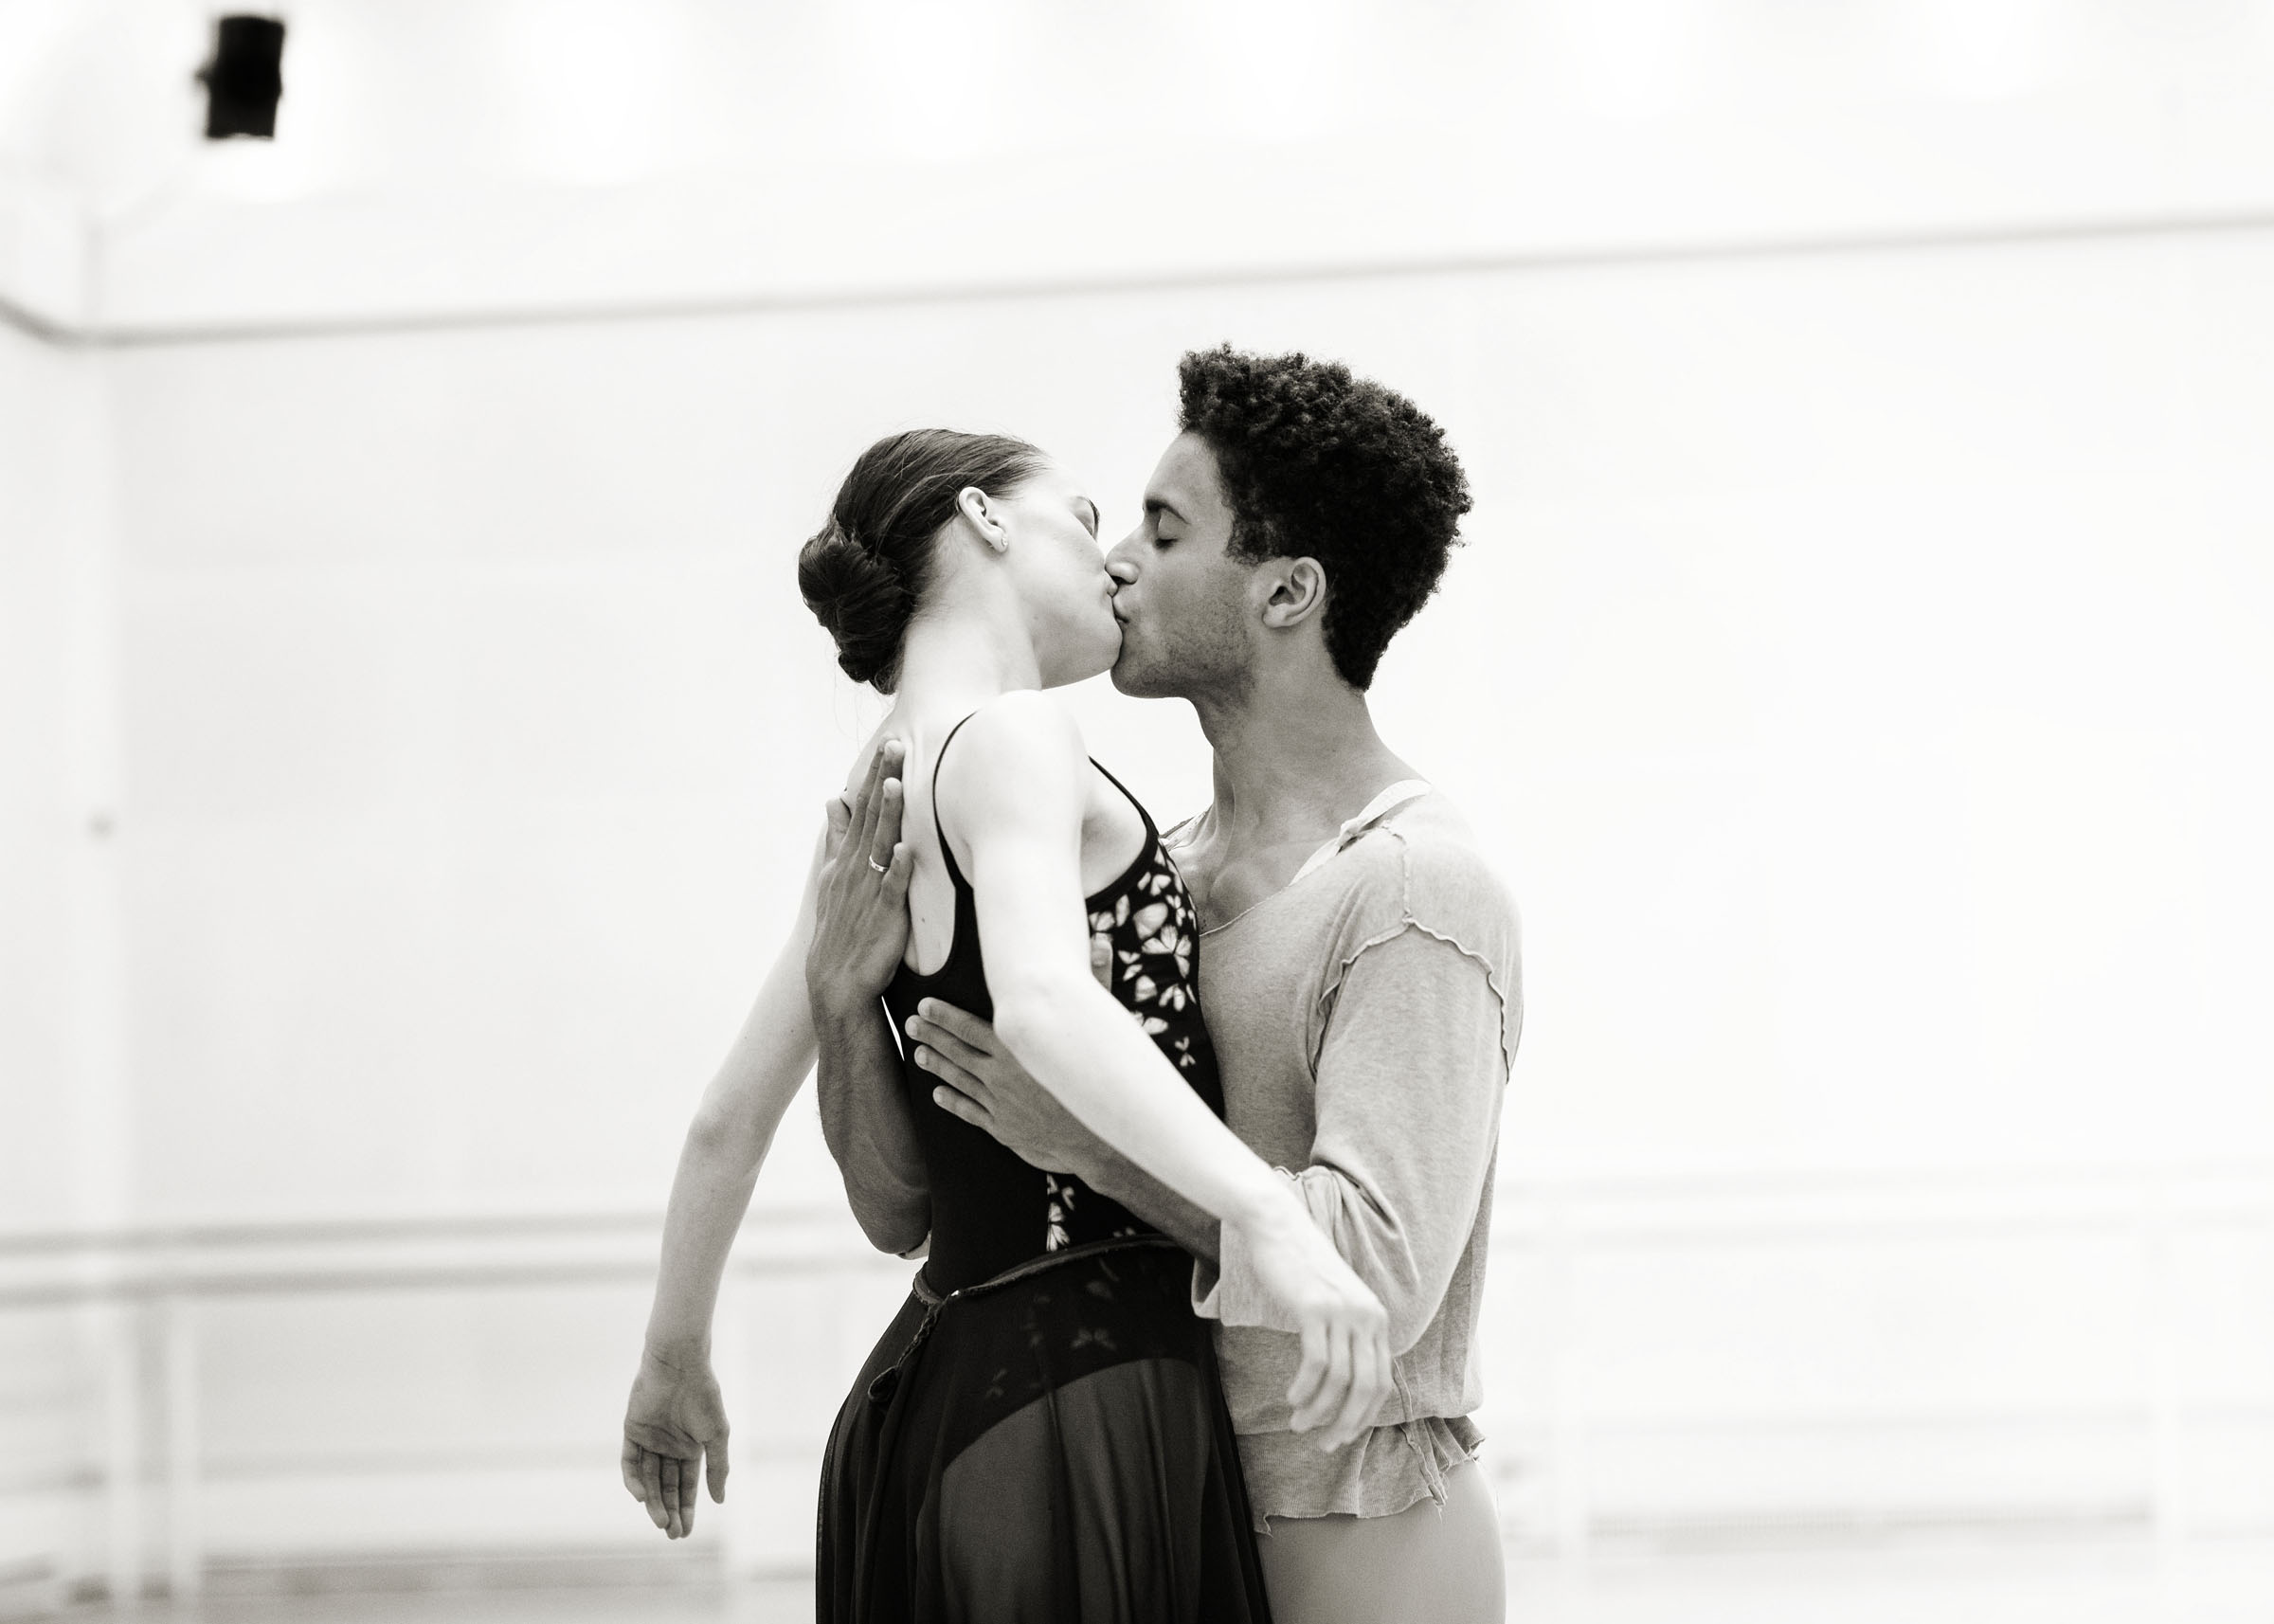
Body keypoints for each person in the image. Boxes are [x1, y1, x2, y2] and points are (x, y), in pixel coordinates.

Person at [619, 427, 1395, 1621]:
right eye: (1086, 518)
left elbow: (728, 1117)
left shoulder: (879, 785)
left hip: (932, 1400)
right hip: (1077, 1404)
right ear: (985, 517)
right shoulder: (1014, 735)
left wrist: (672, 1360)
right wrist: (1266, 1217)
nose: (1115, 563)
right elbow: (1040, 999)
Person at [816, 348, 1519, 1622]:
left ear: (1289, 591)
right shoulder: (1163, 872)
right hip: (1161, 1501)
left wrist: (1098, 1154)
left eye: (1164, 527)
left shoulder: (1416, 889)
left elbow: (1374, 1275)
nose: (1117, 558)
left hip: (1348, 1524)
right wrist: (837, 995)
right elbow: (918, 1204)